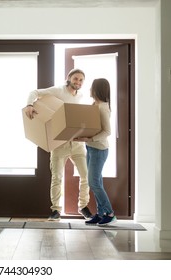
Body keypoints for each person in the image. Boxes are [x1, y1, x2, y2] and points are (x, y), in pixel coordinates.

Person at [25, 68, 92, 221]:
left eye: (81, 80)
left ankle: (83, 206)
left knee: (86, 176)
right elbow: (34, 92)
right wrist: (29, 105)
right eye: (76, 79)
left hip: (77, 144)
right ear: (69, 78)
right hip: (59, 144)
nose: (78, 82)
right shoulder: (58, 91)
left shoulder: (81, 96)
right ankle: (56, 210)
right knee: (57, 177)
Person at [74, 78, 116, 226]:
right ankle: (100, 213)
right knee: (96, 182)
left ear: (97, 89)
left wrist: (89, 139)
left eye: (92, 87)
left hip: (99, 150)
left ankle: (110, 213)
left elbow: (107, 131)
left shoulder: (103, 107)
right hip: (91, 148)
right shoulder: (95, 105)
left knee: (93, 183)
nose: (89, 89)